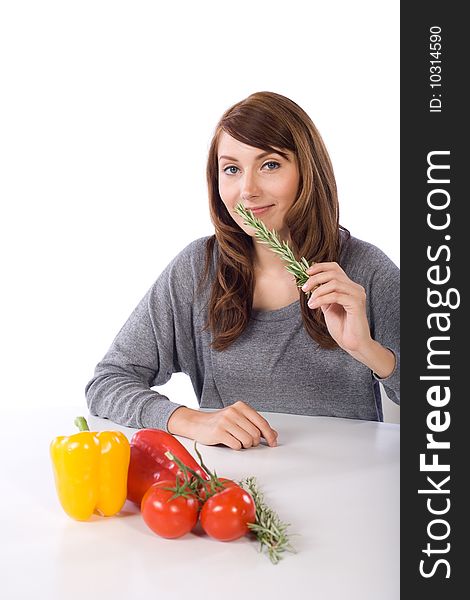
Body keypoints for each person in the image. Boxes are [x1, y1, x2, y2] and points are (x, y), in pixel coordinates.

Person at [85, 91, 399, 450]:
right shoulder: (197, 271)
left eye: (270, 165)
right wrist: (190, 420)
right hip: (233, 492)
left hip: (350, 486)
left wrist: (368, 350)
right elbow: (108, 383)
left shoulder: (365, 271)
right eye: (231, 169)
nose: (247, 190)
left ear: (307, 173)